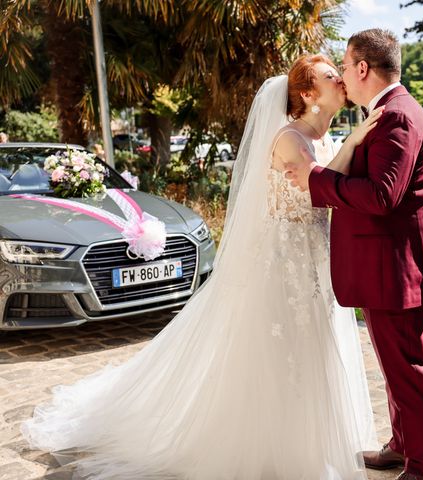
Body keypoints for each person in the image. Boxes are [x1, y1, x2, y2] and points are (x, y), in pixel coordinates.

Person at [21, 55, 381, 479]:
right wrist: (354, 143)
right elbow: (315, 191)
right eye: (329, 76)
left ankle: (315, 440)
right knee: (283, 352)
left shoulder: (321, 139)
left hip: (316, 261)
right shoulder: (289, 140)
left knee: (318, 348)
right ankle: (276, 449)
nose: (341, 80)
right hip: (284, 264)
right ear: (306, 94)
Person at [285, 28, 423, 480]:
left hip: (401, 272)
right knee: (396, 368)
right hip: (393, 269)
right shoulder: (390, 111)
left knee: (410, 372)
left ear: (362, 68)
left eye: (344, 65)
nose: (341, 74)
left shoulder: (397, 116)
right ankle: (402, 446)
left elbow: (382, 195)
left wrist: (315, 180)